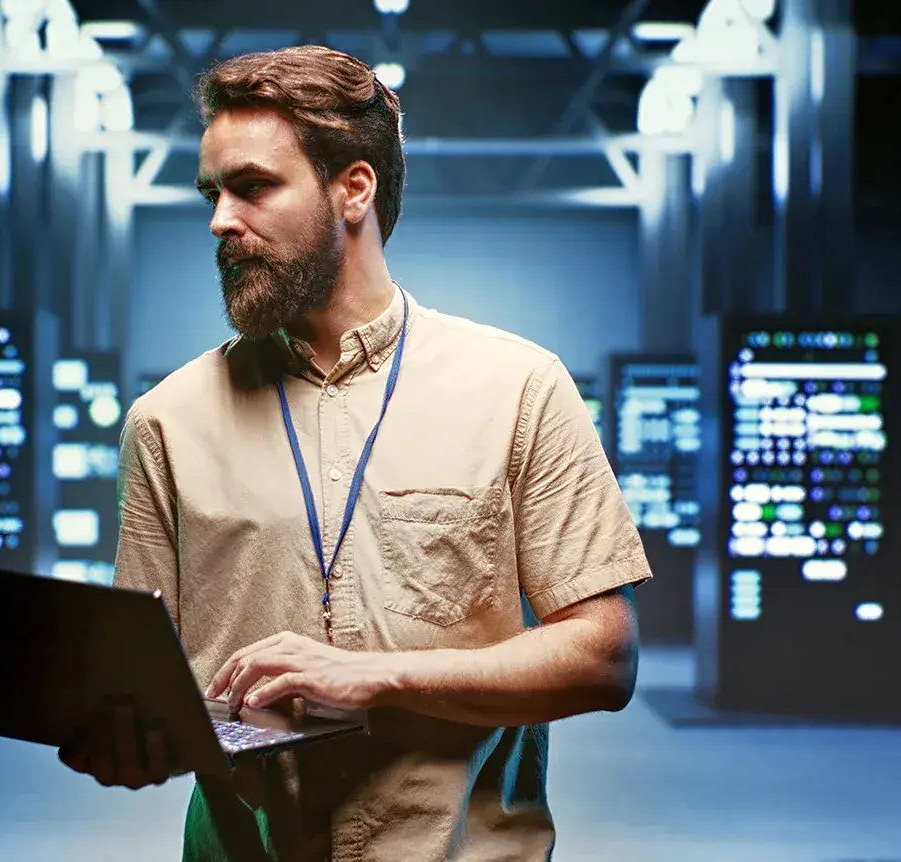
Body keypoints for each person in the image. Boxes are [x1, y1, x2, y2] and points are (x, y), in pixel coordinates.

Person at [58, 44, 652, 861]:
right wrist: (128, 739)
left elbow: (603, 657)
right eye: (213, 192)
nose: (220, 221)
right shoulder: (165, 423)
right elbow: (148, 693)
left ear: (353, 188)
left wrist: (378, 676)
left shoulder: (518, 388)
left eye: (253, 187)